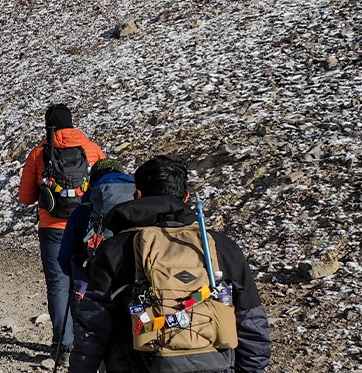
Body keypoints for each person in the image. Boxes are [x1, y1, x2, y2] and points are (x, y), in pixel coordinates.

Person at [71, 156, 272, 373]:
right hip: (216, 365)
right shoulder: (221, 247)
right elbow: (252, 323)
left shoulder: (114, 249)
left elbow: (93, 328)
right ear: (185, 197)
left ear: (138, 195)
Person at [17, 103, 106, 367]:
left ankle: (63, 346)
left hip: (53, 229)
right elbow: (104, 187)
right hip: (87, 228)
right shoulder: (91, 149)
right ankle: (86, 342)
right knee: (85, 283)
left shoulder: (39, 153)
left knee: (58, 285)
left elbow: (25, 197)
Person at [58, 158, 134, 297]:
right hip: (132, 285)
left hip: (92, 288)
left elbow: (65, 258)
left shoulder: (83, 211)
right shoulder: (139, 205)